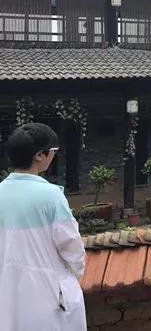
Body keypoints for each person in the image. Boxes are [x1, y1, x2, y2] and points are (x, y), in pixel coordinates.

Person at [0, 123, 86, 331]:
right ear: (39, 155)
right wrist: (77, 274)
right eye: (54, 150)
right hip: (49, 296)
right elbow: (71, 246)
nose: (54, 155)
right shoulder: (51, 195)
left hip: (8, 294)